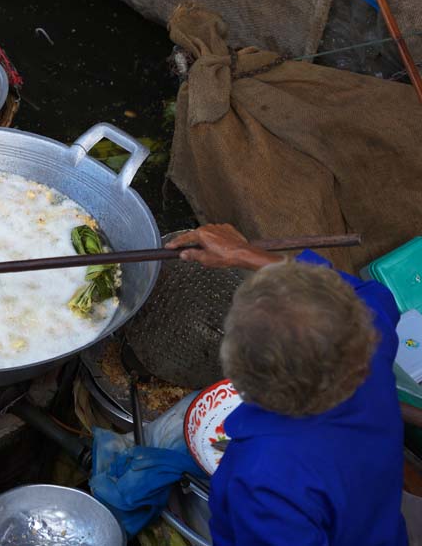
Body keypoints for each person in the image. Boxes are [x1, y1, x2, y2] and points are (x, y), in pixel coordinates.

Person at [168, 224, 408, 546]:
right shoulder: (371, 353)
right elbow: (368, 296)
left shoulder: (263, 479)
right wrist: (244, 254)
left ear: (239, 378)